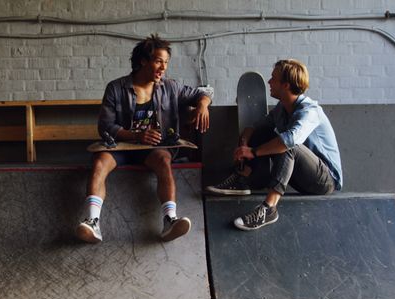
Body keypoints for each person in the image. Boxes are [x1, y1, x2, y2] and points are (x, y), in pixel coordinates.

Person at [75, 34, 213, 243]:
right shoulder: (116, 88)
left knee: (164, 160)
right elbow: (105, 126)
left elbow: (204, 92)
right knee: (99, 161)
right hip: (120, 147)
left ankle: (169, 220)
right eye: (158, 61)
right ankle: (93, 222)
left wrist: (202, 105)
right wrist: (136, 135)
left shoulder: (170, 87)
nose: (163, 67)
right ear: (143, 61)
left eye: (166, 62)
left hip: (153, 150)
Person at [205, 59, 342, 230]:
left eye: (273, 79)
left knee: (288, 144)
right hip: (300, 177)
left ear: (285, 85)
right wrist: (246, 140)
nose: (269, 82)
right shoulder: (282, 109)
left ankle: (269, 208)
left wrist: (253, 152)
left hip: (324, 180)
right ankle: (243, 180)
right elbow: (257, 126)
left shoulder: (310, 110)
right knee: (264, 133)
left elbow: (290, 141)